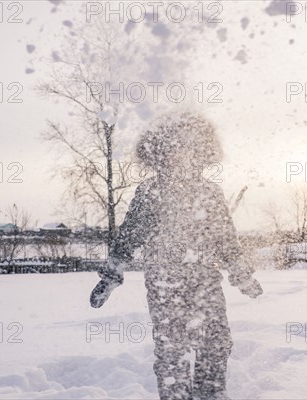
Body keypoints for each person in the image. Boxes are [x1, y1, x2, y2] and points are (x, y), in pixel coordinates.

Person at [90, 111, 263, 400]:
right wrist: (111, 275)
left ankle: (211, 394)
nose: (179, 156)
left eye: (187, 148)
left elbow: (225, 239)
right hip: (163, 283)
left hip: (205, 279)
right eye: (172, 149)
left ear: (200, 153)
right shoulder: (150, 191)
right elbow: (130, 236)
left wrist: (241, 273)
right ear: (159, 154)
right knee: (172, 349)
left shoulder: (210, 192)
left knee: (216, 342)